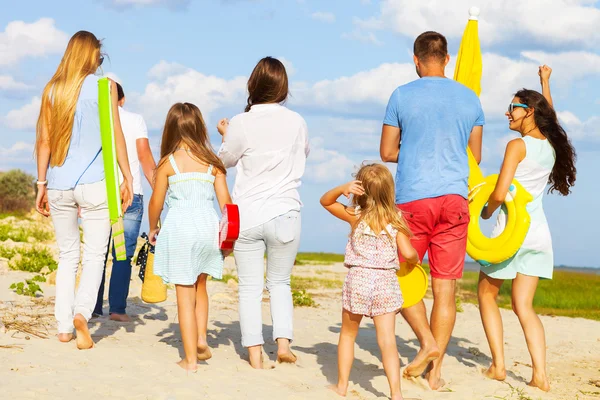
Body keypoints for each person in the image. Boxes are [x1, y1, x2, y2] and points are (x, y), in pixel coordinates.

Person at [379, 31, 485, 389]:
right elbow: (476, 158)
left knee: (400, 282)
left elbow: (387, 152)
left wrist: (413, 149)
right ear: (447, 58)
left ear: (416, 59)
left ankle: (426, 341)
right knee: (445, 289)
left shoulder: (401, 95)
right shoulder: (471, 99)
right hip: (455, 200)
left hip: (413, 199)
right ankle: (435, 373)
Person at [478, 66, 576, 392]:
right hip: (538, 234)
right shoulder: (549, 146)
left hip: (511, 233)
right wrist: (546, 82)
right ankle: (540, 376)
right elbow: (551, 117)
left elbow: (498, 191)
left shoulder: (516, 145)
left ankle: (499, 366)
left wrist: (484, 212)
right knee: (524, 306)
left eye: (514, 108)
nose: (508, 112)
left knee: (486, 293)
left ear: (529, 112)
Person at [34, 31, 133, 349]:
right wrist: (126, 177)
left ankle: (63, 327)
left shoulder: (52, 90)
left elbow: (45, 142)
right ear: (91, 56)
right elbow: (115, 135)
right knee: (93, 256)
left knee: (67, 256)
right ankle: (81, 313)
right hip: (95, 185)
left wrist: (41, 185)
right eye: (99, 57)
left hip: (59, 184)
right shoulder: (106, 88)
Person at [216, 56, 309, 369]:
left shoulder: (241, 122)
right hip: (285, 210)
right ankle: (283, 344)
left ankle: (255, 354)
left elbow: (225, 160)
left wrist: (225, 134)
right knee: (280, 282)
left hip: (249, 214)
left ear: (253, 85)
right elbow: (303, 153)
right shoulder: (297, 121)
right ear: (283, 87)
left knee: (250, 287)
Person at [320, 163, 419, 400]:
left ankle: (342, 387)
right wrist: (413, 262)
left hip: (359, 279)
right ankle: (396, 394)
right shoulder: (396, 220)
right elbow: (408, 252)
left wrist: (342, 188)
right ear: (389, 191)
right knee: (387, 341)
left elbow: (326, 201)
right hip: (385, 281)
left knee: (347, 334)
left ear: (360, 190)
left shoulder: (356, 215)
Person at [148, 102, 232, 372]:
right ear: (200, 127)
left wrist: (153, 228)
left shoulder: (168, 164)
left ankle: (190, 360)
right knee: (201, 286)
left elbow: (156, 204)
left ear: (171, 129)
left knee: (184, 294)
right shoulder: (212, 164)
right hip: (208, 228)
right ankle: (200, 338)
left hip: (181, 229)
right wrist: (228, 238)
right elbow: (227, 205)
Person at [94, 82, 157, 322]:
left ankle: (93, 306)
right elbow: (144, 157)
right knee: (123, 254)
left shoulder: (95, 119)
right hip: (132, 194)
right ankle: (118, 309)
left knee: (97, 251)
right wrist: (159, 188)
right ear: (122, 99)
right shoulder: (135, 119)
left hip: (100, 192)